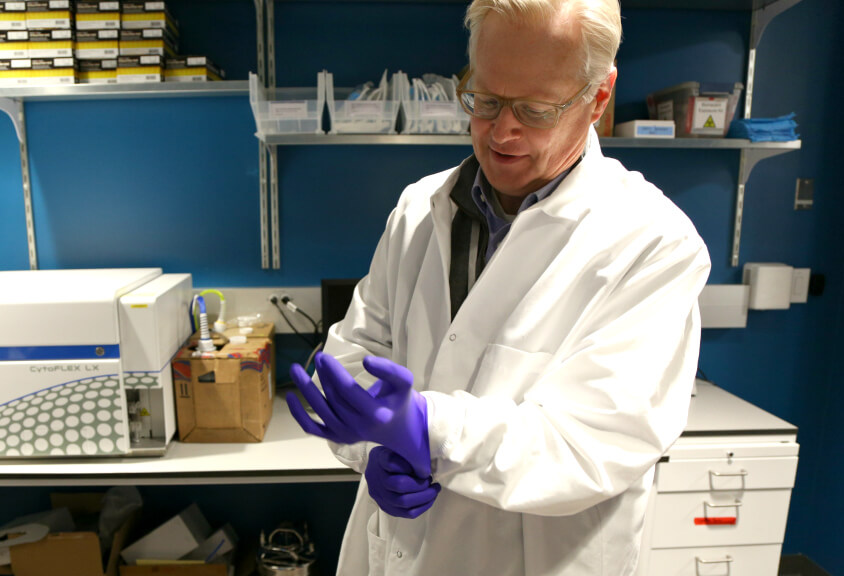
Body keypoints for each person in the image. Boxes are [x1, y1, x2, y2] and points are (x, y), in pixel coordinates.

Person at [287, 0, 711, 574]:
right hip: (399, 551)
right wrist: (375, 450)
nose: (501, 130)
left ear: (598, 98)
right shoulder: (419, 209)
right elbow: (359, 355)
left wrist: (427, 431)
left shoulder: (652, 243)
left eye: (536, 109)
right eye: (484, 100)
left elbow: (591, 443)